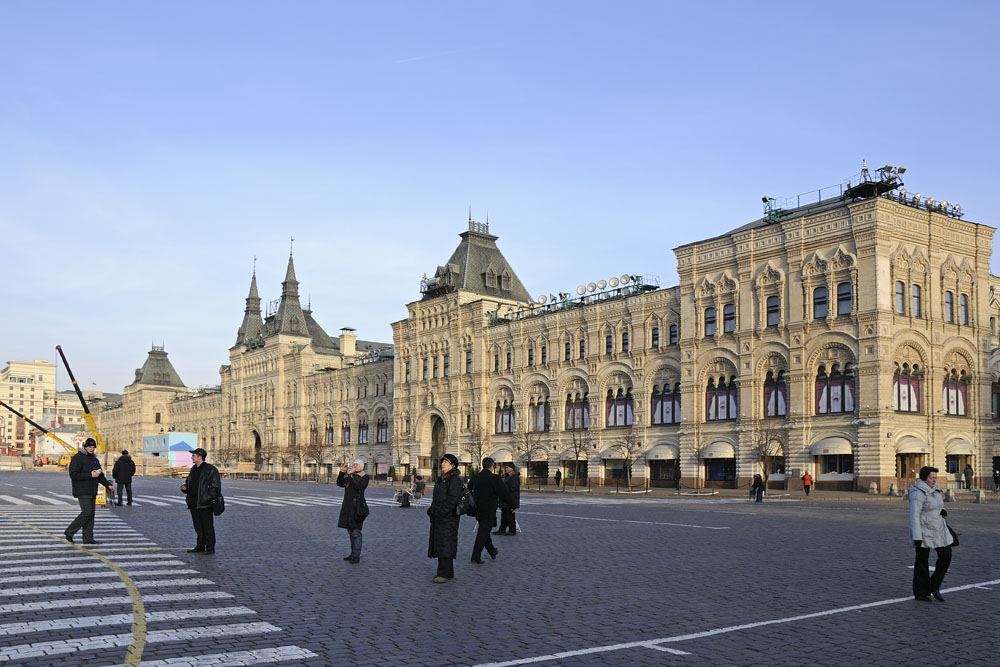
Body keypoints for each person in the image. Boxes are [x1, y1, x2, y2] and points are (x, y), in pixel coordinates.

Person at [909, 466, 953, 601]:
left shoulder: (936, 488)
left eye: (935, 478)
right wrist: (916, 537)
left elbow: (936, 504)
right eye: (931, 478)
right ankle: (921, 592)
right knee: (922, 562)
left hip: (939, 528)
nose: (934, 480)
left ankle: (934, 586)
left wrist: (943, 510)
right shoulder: (918, 493)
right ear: (924, 478)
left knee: (946, 555)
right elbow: (914, 516)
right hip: (924, 530)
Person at [64, 438, 113, 544]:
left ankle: (88, 538)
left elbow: (100, 475)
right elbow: (73, 474)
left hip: (92, 490)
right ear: (85, 447)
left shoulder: (94, 459)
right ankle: (69, 532)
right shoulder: (78, 458)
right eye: (90, 447)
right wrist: (90, 475)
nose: (92, 449)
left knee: (91, 515)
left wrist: (108, 485)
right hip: (82, 490)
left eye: (93, 447)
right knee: (87, 512)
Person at [427, 453, 463, 583]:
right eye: (442, 462)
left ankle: (444, 574)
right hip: (439, 516)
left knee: (446, 543)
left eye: (445, 462)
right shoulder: (442, 479)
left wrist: (442, 511)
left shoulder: (454, 480)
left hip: (448, 518)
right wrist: (431, 510)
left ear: (452, 465)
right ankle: (447, 571)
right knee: (440, 543)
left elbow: (453, 499)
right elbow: (437, 497)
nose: (442, 464)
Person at [468, 458, 512, 563]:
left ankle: (492, 551)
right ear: (492, 467)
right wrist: (512, 505)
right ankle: (475, 556)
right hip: (489, 509)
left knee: (485, 531)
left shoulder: (475, 477)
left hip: (477, 509)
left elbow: (469, 491)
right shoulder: (494, 478)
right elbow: (503, 493)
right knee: (483, 532)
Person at [180, 448, 221, 555]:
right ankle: (200, 546)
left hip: (205, 504)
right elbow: (189, 483)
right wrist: (185, 487)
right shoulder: (193, 469)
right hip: (194, 502)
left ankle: (210, 548)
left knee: (207, 526)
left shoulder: (210, 470)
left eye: (194, 455)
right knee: (198, 526)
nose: (191, 457)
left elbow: (216, 488)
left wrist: (207, 498)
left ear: (200, 457)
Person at [337, 460, 369, 563]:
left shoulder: (364, 477)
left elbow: (358, 487)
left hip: (358, 508)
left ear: (361, 467)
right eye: (353, 464)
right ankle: (352, 554)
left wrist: (351, 476)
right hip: (348, 507)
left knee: (356, 532)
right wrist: (342, 472)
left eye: (356, 465)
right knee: (350, 532)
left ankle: (356, 556)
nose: (354, 466)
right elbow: (340, 483)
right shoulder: (350, 476)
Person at [496, 462, 520, 536]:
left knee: (510, 517)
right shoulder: (507, 477)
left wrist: (513, 505)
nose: (505, 469)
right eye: (505, 467)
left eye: (507, 467)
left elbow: (514, 492)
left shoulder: (514, 478)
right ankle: (502, 530)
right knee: (504, 517)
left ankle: (512, 530)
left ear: (512, 469)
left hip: (510, 501)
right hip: (505, 500)